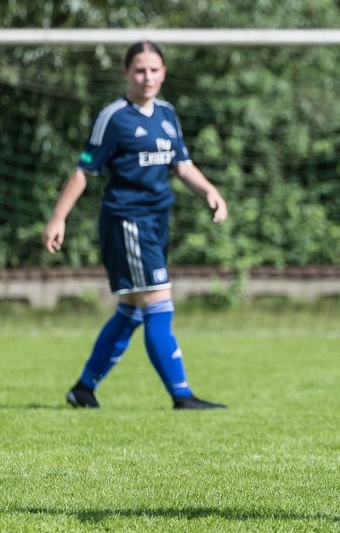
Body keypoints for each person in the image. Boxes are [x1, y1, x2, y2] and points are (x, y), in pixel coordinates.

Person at [43, 40, 228, 411]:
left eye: (154, 70)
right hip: (128, 221)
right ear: (127, 73)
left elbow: (182, 165)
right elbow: (85, 171)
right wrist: (58, 217)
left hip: (158, 220)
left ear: (164, 72)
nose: (147, 77)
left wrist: (209, 191)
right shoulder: (113, 117)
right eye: (140, 70)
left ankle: (83, 389)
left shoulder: (167, 114)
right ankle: (182, 395)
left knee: (131, 309)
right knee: (159, 302)